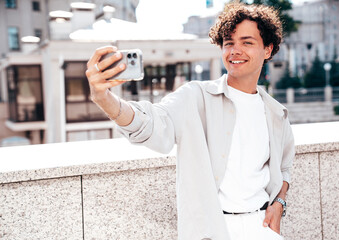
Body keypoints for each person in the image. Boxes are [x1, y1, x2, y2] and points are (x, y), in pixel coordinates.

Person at [86, 2, 294, 240]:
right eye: (229, 43)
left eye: (247, 42)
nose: (235, 50)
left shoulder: (277, 113)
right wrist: (103, 98)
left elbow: (284, 167)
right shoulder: (195, 97)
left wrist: (279, 202)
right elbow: (150, 124)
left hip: (262, 228)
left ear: (268, 50)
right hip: (213, 230)